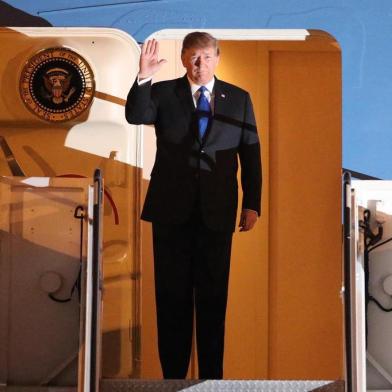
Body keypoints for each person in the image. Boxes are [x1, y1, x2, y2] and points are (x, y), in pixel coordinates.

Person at [125, 32, 262, 380]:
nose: (200, 64)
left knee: (214, 300)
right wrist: (143, 77)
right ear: (185, 58)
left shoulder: (239, 99)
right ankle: (173, 380)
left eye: (206, 57)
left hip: (217, 211)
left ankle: (212, 381)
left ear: (217, 57)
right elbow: (136, 115)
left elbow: (251, 153)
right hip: (171, 210)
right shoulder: (162, 92)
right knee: (172, 298)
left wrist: (252, 203)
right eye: (193, 57)